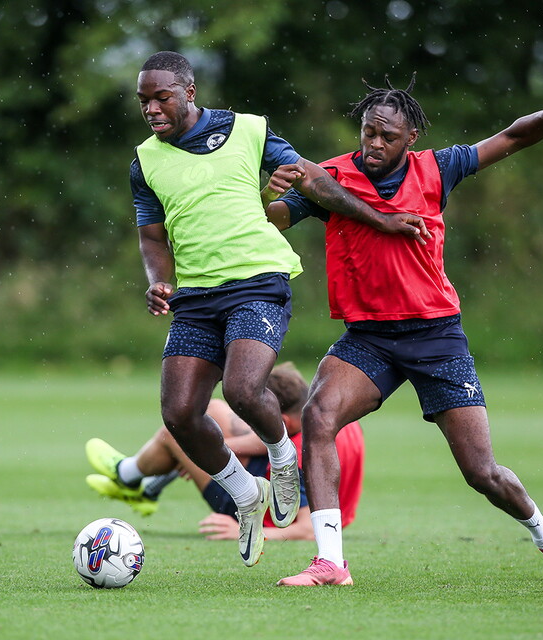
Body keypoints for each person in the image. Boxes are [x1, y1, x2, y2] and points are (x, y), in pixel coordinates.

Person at [263, 76, 543, 586]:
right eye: (368, 132)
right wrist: (267, 198)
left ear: (411, 138)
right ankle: (331, 562)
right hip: (369, 337)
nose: (374, 144)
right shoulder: (330, 177)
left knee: (481, 472)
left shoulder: (437, 169)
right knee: (319, 414)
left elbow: (509, 138)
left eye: (388, 136)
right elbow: (276, 219)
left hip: (436, 336)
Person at [116, 52, 423, 568]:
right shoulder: (144, 162)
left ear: (189, 92)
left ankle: (282, 455)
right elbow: (151, 237)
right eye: (143, 99)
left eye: (161, 97)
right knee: (179, 414)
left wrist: (380, 221)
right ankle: (244, 495)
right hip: (195, 297)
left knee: (241, 389)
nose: (151, 108)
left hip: (257, 283)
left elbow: (314, 180)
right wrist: (159, 280)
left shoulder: (247, 129)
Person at [84, 363, 364, 542]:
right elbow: (278, 439)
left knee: (176, 434)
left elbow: (307, 529)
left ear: (284, 422)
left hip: (260, 508)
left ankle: (130, 476)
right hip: (283, 480)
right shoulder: (336, 423)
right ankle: (146, 486)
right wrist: (216, 448)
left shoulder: (302, 461)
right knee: (213, 411)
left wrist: (246, 531)